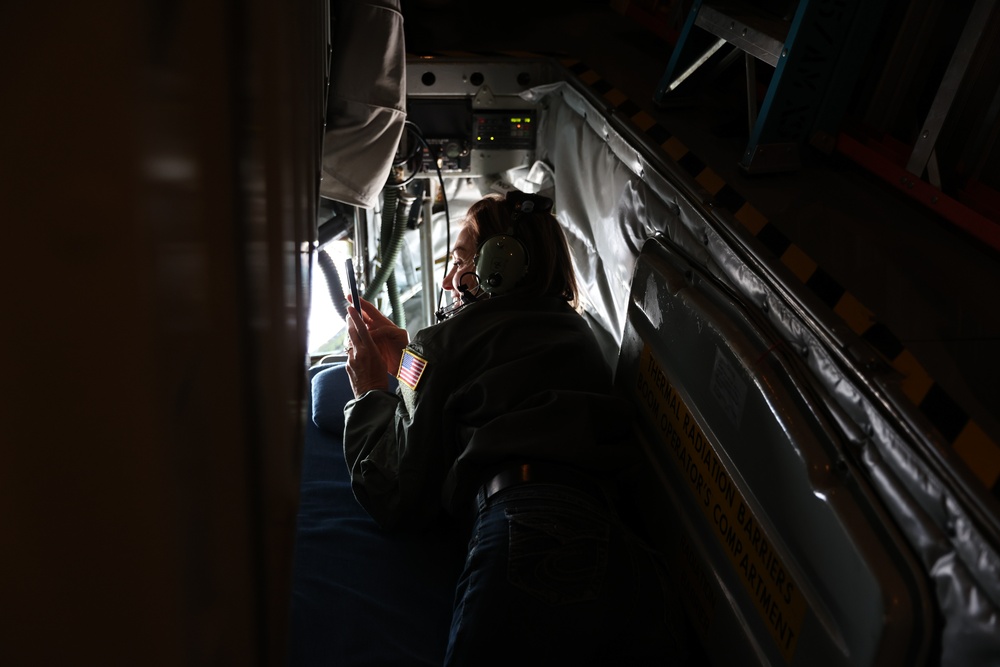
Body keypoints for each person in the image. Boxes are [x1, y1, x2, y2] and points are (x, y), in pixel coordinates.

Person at [342, 191, 689, 666]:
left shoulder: (435, 344)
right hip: (630, 554)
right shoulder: (576, 331)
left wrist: (366, 392)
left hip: (526, 538)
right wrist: (409, 364)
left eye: (461, 260)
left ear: (498, 263)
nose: (448, 278)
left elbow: (394, 490)